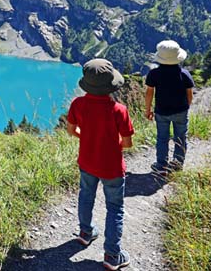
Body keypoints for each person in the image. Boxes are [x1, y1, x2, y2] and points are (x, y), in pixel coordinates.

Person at [66, 58, 134, 270]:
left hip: (86, 162)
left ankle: (85, 233)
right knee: (114, 207)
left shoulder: (78, 104)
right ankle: (112, 255)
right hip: (112, 167)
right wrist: (113, 146)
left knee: (86, 195)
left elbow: (70, 130)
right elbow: (128, 143)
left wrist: (85, 137)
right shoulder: (119, 110)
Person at [144, 40, 195, 175]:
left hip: (161, 112)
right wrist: (186, 107)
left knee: (162, 138)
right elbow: (189, 94)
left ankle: (161, 165)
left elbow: (149, 92)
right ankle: (177, 164)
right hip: (181, 111)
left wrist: (148, 109)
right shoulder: (184, 74)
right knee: (180, 137)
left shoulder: (154, 74)